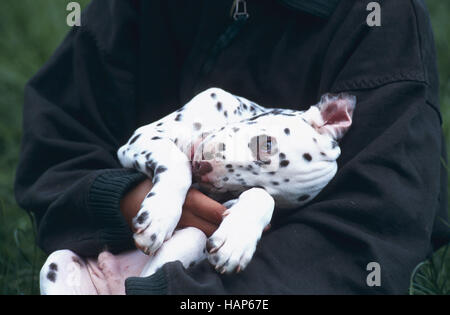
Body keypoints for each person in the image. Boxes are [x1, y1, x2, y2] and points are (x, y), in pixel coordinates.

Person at [14, 0, 450, 294]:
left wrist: (174, 290)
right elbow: (56, 146)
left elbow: (368, 242)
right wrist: (126, 200)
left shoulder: (379, 26)